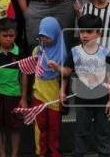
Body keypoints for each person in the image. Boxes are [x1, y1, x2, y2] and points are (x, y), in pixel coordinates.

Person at [63, 14, 110, 157]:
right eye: (82, 31)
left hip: (102, 100)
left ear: (99, 33)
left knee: (102, 132)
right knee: (81, 131)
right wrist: (56, 69)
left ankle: (104, 154)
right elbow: (66, 72)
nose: (85, 35)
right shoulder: (74, 52)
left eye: (89, 31)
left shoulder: (105, 52)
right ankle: (79, 153)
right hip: (82, 99)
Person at [0, 18, 28, 157]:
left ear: (15, 35)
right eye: (5, 36)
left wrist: (23, 97)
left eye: (11, 36)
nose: (8, 39)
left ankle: (14, 154)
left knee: (16, 127)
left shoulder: (19, 52)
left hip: (14, 94)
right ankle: (2, 154)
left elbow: (24, 75)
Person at [29, 17, 67, 157]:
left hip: (55, 97)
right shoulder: (36, 50)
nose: (44, 39)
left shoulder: (62, 53)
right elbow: (31, 70)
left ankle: (55, 152)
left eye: (48, 36)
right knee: (40, 127)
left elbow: (65, 76)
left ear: (56, 35)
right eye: (42, 36)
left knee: (54, 128)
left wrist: (57, 68)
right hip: (39, 94)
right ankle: (41, 152)